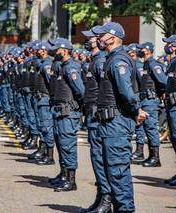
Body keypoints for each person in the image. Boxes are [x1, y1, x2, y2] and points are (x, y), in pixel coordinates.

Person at [93, 22, 147, 212]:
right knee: (112, 171)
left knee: (118, 172)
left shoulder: (118, 61)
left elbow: (127, 93)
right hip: (110, 123)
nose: (98, 39)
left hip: (116, 123)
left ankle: (125, 209)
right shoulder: (112, 58)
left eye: (102, 35)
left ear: (113, 37)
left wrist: (136, 111)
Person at [81, 26, 111, 212]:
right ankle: (100, 197)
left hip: (98, 116)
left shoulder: (101, 61)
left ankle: (106, 201)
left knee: (100, 158)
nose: (89, 41)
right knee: (96, 158)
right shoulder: (95, 60)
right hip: (92, 115)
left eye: (91, 38)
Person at [50, 38, 85, 192]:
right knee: (61, 145)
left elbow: (81, 91)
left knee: (68, 146)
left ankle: (71, 181)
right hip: (60, 112)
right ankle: (63, 175)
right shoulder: (62, 67)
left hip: (68, 113)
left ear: (64, 51)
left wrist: (78, 109)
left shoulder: (71, 68)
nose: (54, 52)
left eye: (57, 49)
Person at [132, 42, 167, 167]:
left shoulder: (153, 64)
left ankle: (155, 158)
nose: (139, 50)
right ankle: (151, 156)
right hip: (145, 101)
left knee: (151, 129)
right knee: (147, 128)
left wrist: (161, 92)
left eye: (141, 49)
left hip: (151, 101)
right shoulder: (146, 64)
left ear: (147, 51)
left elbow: (164, 81)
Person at [162, 35, 176, 186]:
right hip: (170, 105)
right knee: (175, 141)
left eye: (169, 44)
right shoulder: (172, 62)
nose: (167, 46)